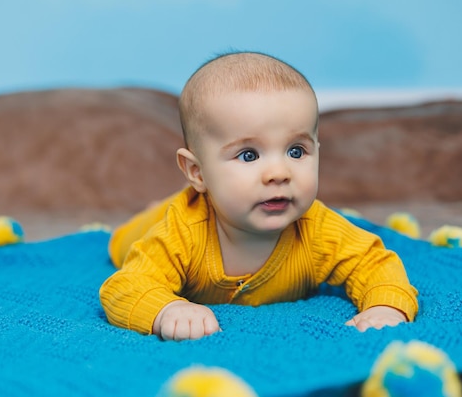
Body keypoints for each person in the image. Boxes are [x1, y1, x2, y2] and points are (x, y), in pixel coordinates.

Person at [99, 51, 418, 341]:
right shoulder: (179, 234)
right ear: (197, 172)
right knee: (124, 244)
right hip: (152, 225)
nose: (279, 173)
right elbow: (124, 286)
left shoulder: (317, 229)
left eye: (296, 151)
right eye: (249, 155)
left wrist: (386, 306)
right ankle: (158, 208)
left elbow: (375, 262)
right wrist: (166, 310)